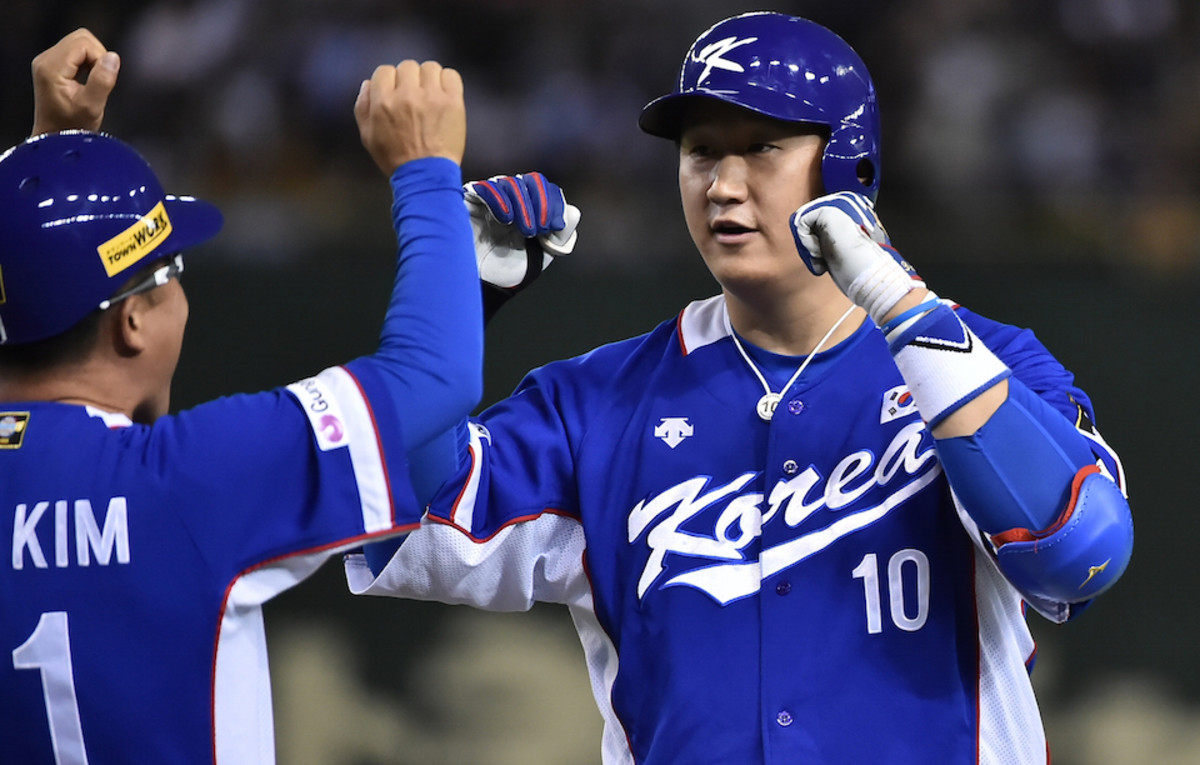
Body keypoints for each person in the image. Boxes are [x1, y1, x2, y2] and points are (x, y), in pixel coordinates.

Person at [348, 12, 1134, 764]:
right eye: (700, 152)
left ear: (844, 163)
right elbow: (387, 516)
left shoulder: (987, 361)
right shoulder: (598, 401)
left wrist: (902, 310)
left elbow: (1079, 551)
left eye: (762, 148)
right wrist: (456, 304)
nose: (722, 184)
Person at [0, 29, 482, 764]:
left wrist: (49, 180)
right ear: (132, 321)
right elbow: (435, 373)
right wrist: (426, 170)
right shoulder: (187, 477)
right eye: (172, 271)